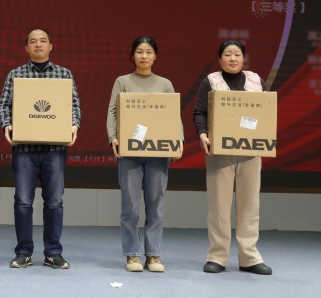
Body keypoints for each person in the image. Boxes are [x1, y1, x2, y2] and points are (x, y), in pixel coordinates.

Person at [0, 28, 81, 270]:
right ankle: (23, 252)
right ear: (26, 48)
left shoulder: (64, 74)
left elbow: (74, 105)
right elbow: (4, 105)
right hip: (25, 148)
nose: (38, 44)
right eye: (33, 41)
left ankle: (53, 253)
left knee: (54, 202)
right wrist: (7, 124)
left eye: (43, 41)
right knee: (23, 202)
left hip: (54, 148)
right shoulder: (16, 75)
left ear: (51, 46)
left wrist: (74, 124)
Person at [193, 40, 273, 276]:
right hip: (220, 153)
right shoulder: (210, 81)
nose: (233, 58)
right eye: (227, 54)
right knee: (219, 206)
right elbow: (199, 112)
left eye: (237, 54)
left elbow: (267, 112)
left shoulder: (256, 80)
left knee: (250, 205)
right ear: (219, 59)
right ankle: (217, 256)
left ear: (243, 58)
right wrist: (203, 135)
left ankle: (249, 257)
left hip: (250, 153)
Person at [106, 36, 182, 273]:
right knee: (130, 205)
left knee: (156, 203)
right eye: (140, 51)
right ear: (133, 55)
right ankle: (132, 254)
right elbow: (113, 111)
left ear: (155, 56)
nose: (144, 56)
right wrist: (113, 137)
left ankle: (153, 255)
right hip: (130, 151)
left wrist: (177, 140)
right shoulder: (123, 81)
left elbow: (173, 115)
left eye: (149, 52)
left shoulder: (165, 84)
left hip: (158, 152)